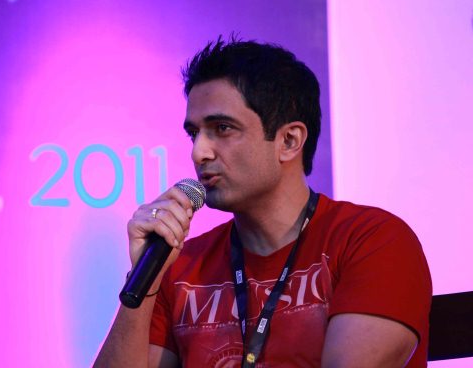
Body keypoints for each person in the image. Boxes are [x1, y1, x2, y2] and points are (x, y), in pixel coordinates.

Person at [94, 37, 432, 367]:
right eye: (194, 133)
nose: (199, 152)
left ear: (289, 141)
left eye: (222, 128)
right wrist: (145, 279)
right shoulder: (179, 267)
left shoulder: (373, 241)